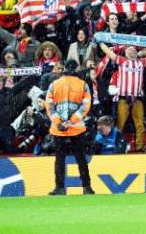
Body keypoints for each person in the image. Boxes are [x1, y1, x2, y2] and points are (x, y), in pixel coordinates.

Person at [45, 59, 94, 195]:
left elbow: (49, 105)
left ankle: (59, 187)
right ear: (76, 69)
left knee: (59, 159)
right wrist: (72, 121)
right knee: (81, 158)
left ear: (65, 68)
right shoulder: (83, 84)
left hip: (58, 128)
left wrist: (59, 122)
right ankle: (87, 187)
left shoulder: (54, 84)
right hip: (77, 128)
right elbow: (86, 105)